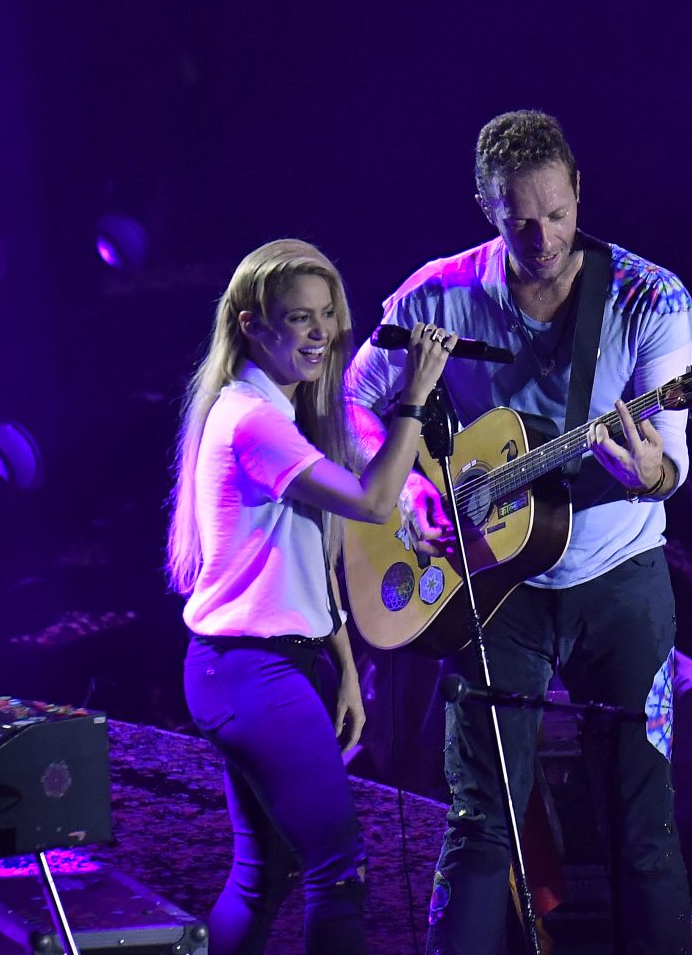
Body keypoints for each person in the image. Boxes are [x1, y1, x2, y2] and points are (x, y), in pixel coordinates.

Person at [343, 110, 692, 953]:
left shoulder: (652, 297)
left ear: (579, 190)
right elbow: (353, 403)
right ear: (485, 207)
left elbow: (669, 464)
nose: (540, 236)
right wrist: (407, 493)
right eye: (518, 219)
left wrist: (644, 472)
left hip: (619, 582)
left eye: (555, 212)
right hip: (491, 585)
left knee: (643, 828)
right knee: (480, 823)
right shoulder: (437, 292)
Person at [166, 238, 455, 955]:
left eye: (328, 315)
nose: (321, 332)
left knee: (265, 874)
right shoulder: (253, 421)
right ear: (249, 325)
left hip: (257, 668)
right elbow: (374, 498)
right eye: (299, 318)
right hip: (251, 672)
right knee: (339, 866)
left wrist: (347, 671)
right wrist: (413, 397)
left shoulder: (269, 414)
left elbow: (310, 566)